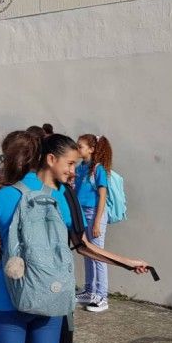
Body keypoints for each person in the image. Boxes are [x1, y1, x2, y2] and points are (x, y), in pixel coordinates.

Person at [0, 132, 149, 343]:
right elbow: (84, 245)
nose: (73, 170)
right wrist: (127, 262)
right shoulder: (62, 198)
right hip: (51, 294)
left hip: (8, 297)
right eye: (70, 163)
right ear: (50, 159)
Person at [74, 134, 113, 313]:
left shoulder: (98, 169)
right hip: (82, 214)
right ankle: (90, 291)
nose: (77, 148)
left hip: (94, 213)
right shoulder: (81, 167)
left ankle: (102, 296)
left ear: (91, 149)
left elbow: (102, 196)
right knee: (87, 253)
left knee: (98, 255)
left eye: (80, 146)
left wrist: (97, 221)